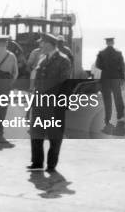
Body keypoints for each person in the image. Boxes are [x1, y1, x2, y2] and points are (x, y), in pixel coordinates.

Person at [28, 33, 71, 172]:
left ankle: (51, 164)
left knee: (55, 135)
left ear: (48, 44)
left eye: (42, 43)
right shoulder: (42, 59)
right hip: (39, 103)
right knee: (36, 133)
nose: (40, 46)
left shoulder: (64, 60)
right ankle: (37, 162)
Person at [95, 37, 125, 128]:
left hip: (105, 78)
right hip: (115, 78)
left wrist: (105, 68)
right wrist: (122, 78)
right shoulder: (118, 53)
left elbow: (97, 65)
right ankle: (120, 115)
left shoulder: (101, 53)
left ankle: (107, 118)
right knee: (118, 97)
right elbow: (122, 67)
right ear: (113, 42)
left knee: (107, 99)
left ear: (106, 43)